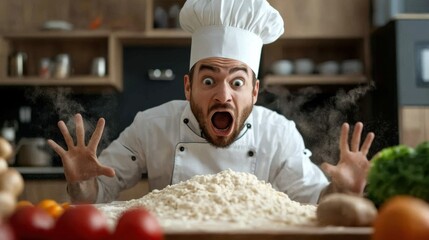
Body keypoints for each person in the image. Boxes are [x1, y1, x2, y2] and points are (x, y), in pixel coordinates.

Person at [48, 0, 374, 204]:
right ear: (187, 87)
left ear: (255, 92)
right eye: (208, 81)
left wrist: (341, 192)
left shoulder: (278, 134)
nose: (223, 95)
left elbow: (317, 200)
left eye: (236, 82)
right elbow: (96, 195)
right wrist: (81, 185)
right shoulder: (151, 126)